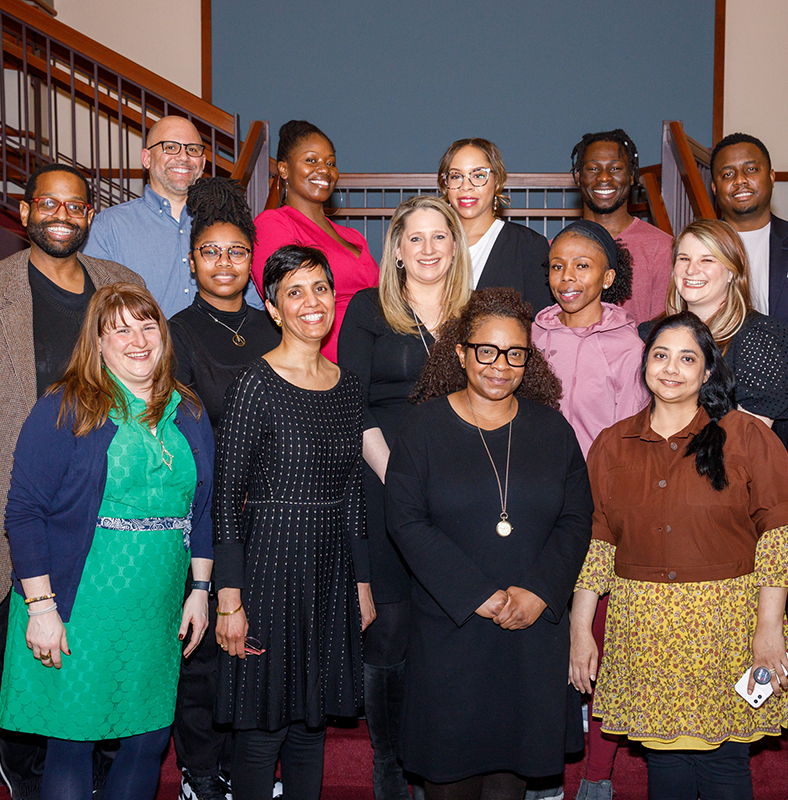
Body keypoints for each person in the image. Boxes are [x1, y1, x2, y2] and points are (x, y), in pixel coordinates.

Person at [0, 283, 214, 800]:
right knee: (74, 743)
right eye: (119, 329)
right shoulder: (67, 406)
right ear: (97, 342)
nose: (137, 340)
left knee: (147, 739)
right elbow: (24, 512)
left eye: (147, 327)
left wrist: (202, 590)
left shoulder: (188, 409)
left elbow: (204, 507)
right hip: (80, 605)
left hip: (156, 608)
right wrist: (41, 607)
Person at [570, 311, 788, 800]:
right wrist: (580, 629)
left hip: (724, 625)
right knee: (664, 766)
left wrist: (768, 630)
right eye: (660, 355)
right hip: (644, 627)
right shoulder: (611, 444)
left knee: (724, 766)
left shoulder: (748, 437)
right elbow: (597, 544)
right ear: (644, 363)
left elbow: (779, 538)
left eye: (687, 358)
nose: (671, 368)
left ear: (707, 371)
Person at [385, 287, 592, 800]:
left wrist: (540, 592)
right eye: (487, 351)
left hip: (530, 637)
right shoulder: (422, 428)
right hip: (451, 633)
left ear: (528, 359)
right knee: (449, 777)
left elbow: (576, 518)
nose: (500, 365)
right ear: (461, 353)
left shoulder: (552, 429)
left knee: (511, 778)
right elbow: (405, 520)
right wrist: (477, 594)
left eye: (515, 354)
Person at [0, 162, 143, 799]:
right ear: (25, 212)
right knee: (28, 670)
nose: (63, 214)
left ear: (90, 216)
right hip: (24, 506)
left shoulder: (121, 283)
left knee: (100, 670)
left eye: (76, 206)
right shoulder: (3, 289)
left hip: (110, 522)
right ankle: (24, 776)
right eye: (49, 204)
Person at [213, 244, 375, 800]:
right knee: (261, 734)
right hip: (267, 571)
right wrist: (227, 598)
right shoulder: (253, 383)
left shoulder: (350, 385)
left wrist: (363, 583)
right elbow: (226, 498)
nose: (312, 302)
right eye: (295, 292)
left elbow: (354, 492)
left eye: (321, 288)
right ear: (274, 308)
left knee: (312, 729)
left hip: (330, 574)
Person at [337, 195, 472, 800]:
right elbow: (353, 403)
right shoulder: (369, 309)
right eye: (413, 238)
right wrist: (399, 480)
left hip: (462, 488)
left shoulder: (477, 315)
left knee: (447, 622)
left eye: (438, 237)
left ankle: (441, 753)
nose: (427, 249)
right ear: (395, 249)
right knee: (389, 626)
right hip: (383, 478)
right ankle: (389, 766)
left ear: (455, 244)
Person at [168, 177, 281, 800]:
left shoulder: (273, 330)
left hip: (272, 516)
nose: (225, 263)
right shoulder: (177, 332)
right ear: (193, 261)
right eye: (211, 252)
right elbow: (186, 433)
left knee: (256, 645)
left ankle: (249, 768)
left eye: (237, 253)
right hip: (207, 514)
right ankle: (199, 771)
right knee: (204, 652)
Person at [84, 115, 262, 316]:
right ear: (146, 158)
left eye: (192, 149)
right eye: (170, 147)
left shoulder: (227, 226)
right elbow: (94, 309)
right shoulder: (109, 227)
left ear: (202, 163)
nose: (183, 157)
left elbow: (253, 306)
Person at [640, 219, 788, 441]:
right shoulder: (648, 334)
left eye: (707, 260)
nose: (691, 269)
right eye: (684, 259)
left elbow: (747, 443)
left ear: (732, 272)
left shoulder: (761, 336)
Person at [250, 120, 379, 362]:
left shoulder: (354, 237)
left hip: (377, 358)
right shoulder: (273, 224)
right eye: (311, 160)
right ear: (284, 169)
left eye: (330, 163)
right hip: (326, 365)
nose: (324, 169)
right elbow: (289, 299)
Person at [533, 219, 648, 457]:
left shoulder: (629, 349)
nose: (566, 276)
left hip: (595, 482)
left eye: (582, 266)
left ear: (607, 278)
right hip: (532, 478)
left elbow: (630, 440)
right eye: (557, 266)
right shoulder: (532, 336)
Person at [571, 129, 673, 325]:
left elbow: (665, 332)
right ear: (577, 177)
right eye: (593, 169)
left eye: (615, 168)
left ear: (632, 176)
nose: (604, 177)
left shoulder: (663, 248)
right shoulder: (556, 249)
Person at [437, 137, 552, 311]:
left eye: (478, 175)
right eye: (456, 176)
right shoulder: (428, 245)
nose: (466, 186)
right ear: (445, 184)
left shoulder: (528, 246)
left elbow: (542, 323)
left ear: (496, 181)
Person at [710, 132, 788, 323]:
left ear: (771, 177)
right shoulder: (699, 247)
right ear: (714, 188)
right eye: (728, 174)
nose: (740, 180)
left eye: (751, 169)